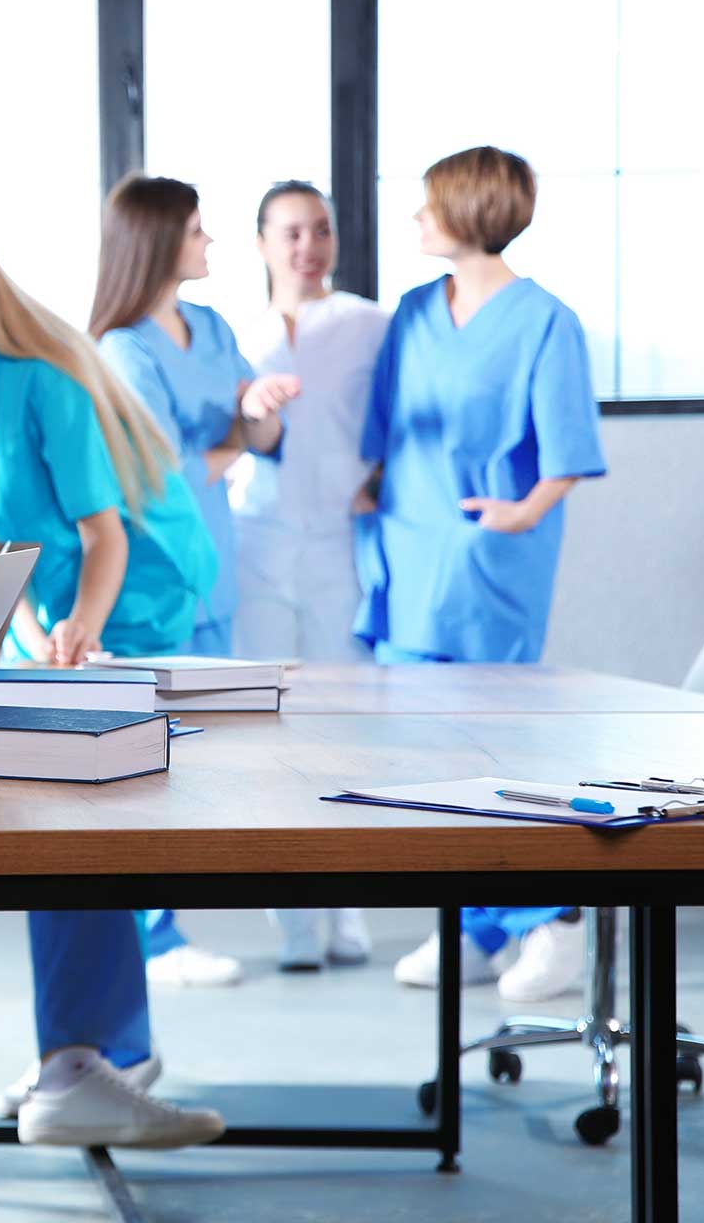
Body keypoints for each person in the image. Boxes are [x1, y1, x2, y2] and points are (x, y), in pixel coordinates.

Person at [0, 193, 224, 1149]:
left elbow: (103, 536)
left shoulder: (45, 382)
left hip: (133, 586)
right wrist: (22, 619)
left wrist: (80, 630)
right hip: (49, 596)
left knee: (88, 813)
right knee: (54, 814)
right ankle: (95, 1056)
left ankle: (92, 1056)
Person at [359, 148, 607, 1002]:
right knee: (425, 754)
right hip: (407, 549)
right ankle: (471, 926)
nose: (417, 222)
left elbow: (567, 449)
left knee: (496, 744)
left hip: (489, 557)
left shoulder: (546, 321)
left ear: (468, 213)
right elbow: (383, 427)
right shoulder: (415, 310)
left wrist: (522, 514)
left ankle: (554, 920)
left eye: (429, 207)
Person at [230, 179, 387, 971]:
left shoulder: (368, 322)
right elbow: (240, 440)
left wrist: (382, 478)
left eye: (320, 229)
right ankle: (291, 920)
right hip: (256, 539)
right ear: (263, 244)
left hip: (338, 543)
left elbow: (395, 416)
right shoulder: (237, 334)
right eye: (291, 232)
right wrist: (256, 408)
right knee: (268, 728)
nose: (308, 246)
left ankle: (348, 905)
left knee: (343, 722)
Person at [89, 173, 300, 660]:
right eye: (196, 230)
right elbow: (166, 475)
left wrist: (256, 412)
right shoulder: (125, 349)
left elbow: (268, 438)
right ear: (158, 243)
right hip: (158, 573)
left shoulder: (211, 325)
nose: (208, 241)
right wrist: (238, 435)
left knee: (219, 728)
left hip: (215, 561)